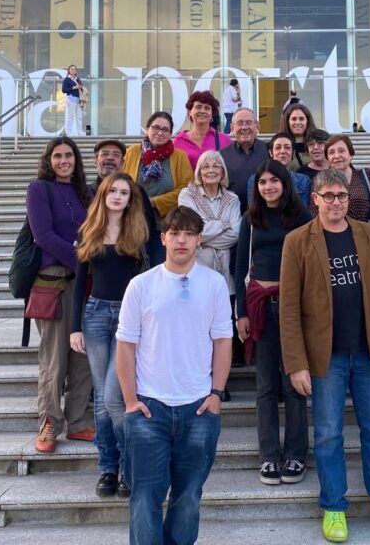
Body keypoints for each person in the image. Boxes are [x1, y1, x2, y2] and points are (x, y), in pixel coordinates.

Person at [279, 169, 370, 543]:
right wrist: (296, 364)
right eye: (329, 196)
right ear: (315, 199)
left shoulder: (368, 234)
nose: (336, 202)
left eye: (341, 196)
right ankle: (334, 506)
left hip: (368, 352)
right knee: (327, 435)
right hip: (326, 358)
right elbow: (288, 308)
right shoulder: (297, 241)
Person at [116, 206, 233, 545]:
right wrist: (130, 401)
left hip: (198, 407)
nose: (182, 240)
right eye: (175, 233)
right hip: (149, 407)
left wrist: (216, 394)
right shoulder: (141, 285)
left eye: (189, 234)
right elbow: (125, 346)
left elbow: (223, 341)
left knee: (188, 497)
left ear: (199, 240)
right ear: (163, 238)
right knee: (144, 498)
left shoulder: (214, 284)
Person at [70, 172, 149, 499]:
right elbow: (79, 283)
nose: (117, 196)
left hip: (128, 317)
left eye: (124, 192)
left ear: (131, 199)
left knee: (115, 398)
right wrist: (75, 326)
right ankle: (107, 468)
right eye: (112, 191)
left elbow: (148, 280)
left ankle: (130, 466)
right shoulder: (89, 230)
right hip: (96, 315)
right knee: (102, 400)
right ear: (103, 195)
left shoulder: (139, 231)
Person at [235, 160, 313, 486]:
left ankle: (296, 454)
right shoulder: (250, 218)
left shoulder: (302, 217)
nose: (268, 187)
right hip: (261, 308)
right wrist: (240, 312)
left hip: (294, 308)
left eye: (273, 181)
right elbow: (240, 265)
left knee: (294, 384)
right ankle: (269, 455)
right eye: (262, 182)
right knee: (265, 386)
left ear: (284, 183)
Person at [28, 137, 95, 455]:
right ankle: (50, 423)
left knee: (82, 357)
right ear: (49, 160)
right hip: (55, 280)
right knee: (54, 359)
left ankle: (78, 421)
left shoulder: (87, 192)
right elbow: (43, 235)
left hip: (88, 283)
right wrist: (80, 259)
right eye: (58, 156)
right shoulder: (39, 189)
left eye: (69, 155)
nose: (64, 160)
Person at [92, 139, 164, 268]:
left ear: (122, 162)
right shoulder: (86, 192)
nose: (110, 158)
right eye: (104, 154)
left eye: (116, 155)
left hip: (132, 263)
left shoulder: (136, 191)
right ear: (95, 160)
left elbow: (150, 230)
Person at [178, 150, 241, 294]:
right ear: (199, 172)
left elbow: (236, 234)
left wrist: (201, 239)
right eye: (206, 167)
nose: (211, 170)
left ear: (222, 172)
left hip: (225, 270)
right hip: (196, 266)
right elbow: (191, 231)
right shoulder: (187, 195)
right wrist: (223, 225)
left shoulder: (233, 199)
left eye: (216, 166)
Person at [123, 112, 194, 221]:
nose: (160, 133)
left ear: (170, 134)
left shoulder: (180, 156)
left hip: (167, 221)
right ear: (147, 129)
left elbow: (187, 188)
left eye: (165, 130)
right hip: (132, 218)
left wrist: (155, 202)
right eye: (156, 127)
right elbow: (121, 180)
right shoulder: (131, 152)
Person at [324, 134, 370, 225]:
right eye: (331, 152)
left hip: (365, 231)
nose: (337, 156)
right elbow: (315, 213)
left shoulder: (366, 175)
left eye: (341, 151)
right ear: (327, 158)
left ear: (351, 155)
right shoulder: (320, 181)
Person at [220, 106, 269, 213]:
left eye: (249, 122)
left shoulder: (270, 151)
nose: (244, 127)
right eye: (240, 123)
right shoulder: (221, 156)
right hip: (232, 216)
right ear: (232, 128)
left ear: (257, 126)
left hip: (265, 215)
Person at [247, 132, 312, 209]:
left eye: (287, 147)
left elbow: (303, 212)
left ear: (293, 153)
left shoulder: (303, 181)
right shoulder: (255, 180)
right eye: (278, 147)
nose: (282, 151)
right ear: (271, 153)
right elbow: (255, 210)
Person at [174, 90, 232, 170]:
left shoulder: (224, 140)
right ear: (189, 112)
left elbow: (228, 169)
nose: (202, 111)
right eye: (198, 107)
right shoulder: (178, 141)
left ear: (212, 114)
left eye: (207, 108)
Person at [62, 65, 84, 137]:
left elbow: (81, 88)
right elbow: (64, 90)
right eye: (72, 69)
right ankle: (69, 132)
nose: (73, 70)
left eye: (75, 69)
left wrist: (80, 87)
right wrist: (73, 87)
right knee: (71, 116)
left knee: (79, 116)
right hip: (71, 98)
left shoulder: (78, 79)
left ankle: (80, 132)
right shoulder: (66, 79)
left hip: (79, 99)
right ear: (69, 70)